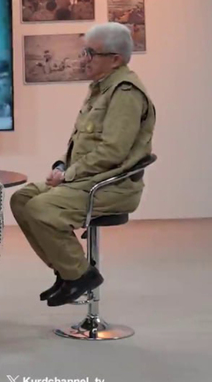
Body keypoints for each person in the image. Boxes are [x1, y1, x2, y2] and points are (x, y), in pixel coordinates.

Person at [10, 23, 156, 307]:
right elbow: (83, 142)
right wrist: (62, 167)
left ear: (115, 59)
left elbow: (112, 152)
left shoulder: (125, 93)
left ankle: (80, 276)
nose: (83, 59)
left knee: (41, 208)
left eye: (90, 53)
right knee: (22, 199)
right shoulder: (101, 88)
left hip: (111, 186)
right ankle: (65, 272)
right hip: (85, 179)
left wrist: (68, 175)